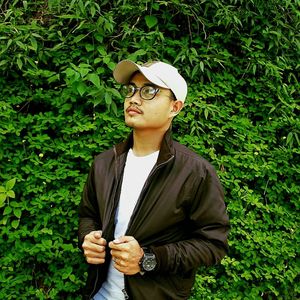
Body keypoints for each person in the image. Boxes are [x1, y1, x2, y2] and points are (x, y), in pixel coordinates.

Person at [78, 59, 230, 300]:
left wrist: (148, 259)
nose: (134, 98)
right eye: (131, 89)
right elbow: (89, 214)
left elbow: (213, 244)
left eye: (149, 91)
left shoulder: (195, 172)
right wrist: (89, 238)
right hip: (100, 295)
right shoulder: (104, 163)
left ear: (175, 107)